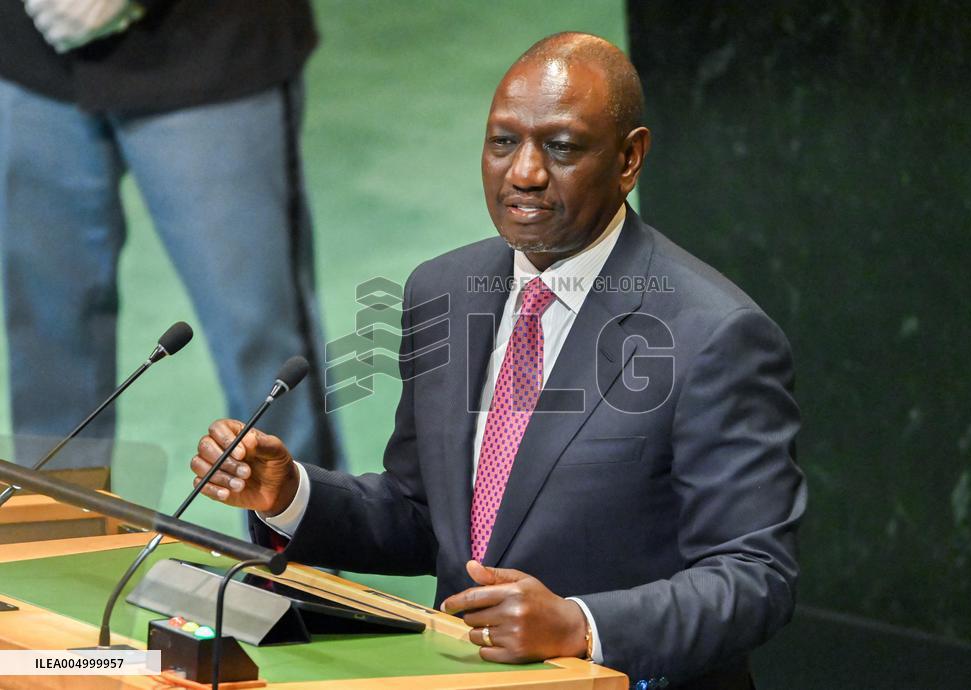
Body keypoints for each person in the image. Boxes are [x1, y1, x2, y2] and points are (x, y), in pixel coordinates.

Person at [190, 32, 806, 689]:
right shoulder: (443, 292)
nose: (524, 173)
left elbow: (754, 575)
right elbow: (429, 515)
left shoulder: (714, 334)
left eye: (561, 147)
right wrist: (290, 497)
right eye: (503, 142)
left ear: (630, 159)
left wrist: (580, 626)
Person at [0, 0, 342, 475]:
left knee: (259, 340)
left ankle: (296, 541)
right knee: (46, 331)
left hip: (209, 50)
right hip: (29, 50)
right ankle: (56, 538)